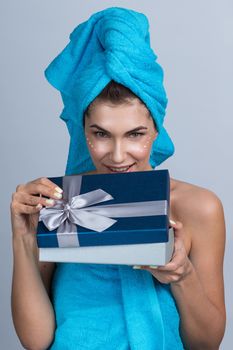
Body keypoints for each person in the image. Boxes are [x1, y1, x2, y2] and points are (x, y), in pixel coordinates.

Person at [10, 7, 226, 350]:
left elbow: (206, 345)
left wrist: (182, 274)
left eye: (135, 134)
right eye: (101, 134)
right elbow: (36, 341)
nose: (118, 155)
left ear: (156, 130)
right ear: (84, 131)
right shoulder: (61, 204)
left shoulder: (199, 207)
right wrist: (23, 239)